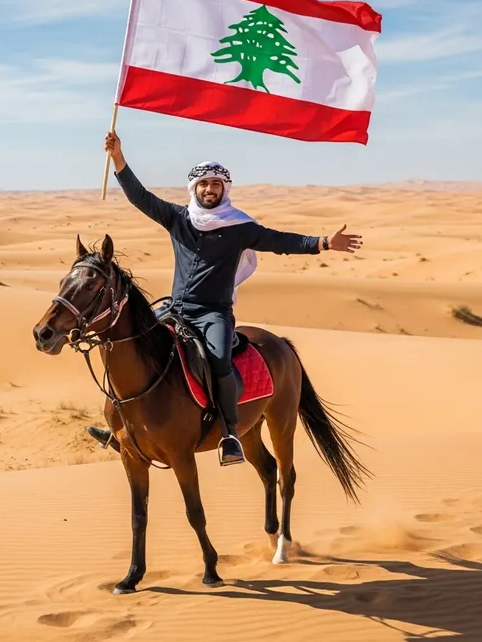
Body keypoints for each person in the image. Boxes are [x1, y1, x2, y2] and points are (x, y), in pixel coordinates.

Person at [87, 130, 363, 466]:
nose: (209, 189)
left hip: (213, 314)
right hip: (175, 309)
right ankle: (121, 427)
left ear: (224, 190)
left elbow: (277, 240)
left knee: (218, 359)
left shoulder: (239, 227)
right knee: (131, 345)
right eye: (204, 184)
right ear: (194, 189)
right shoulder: (178, 219)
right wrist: (118, 158)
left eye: (216, 184)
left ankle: (230, 432)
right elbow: (140, 197)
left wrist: (322, 242)